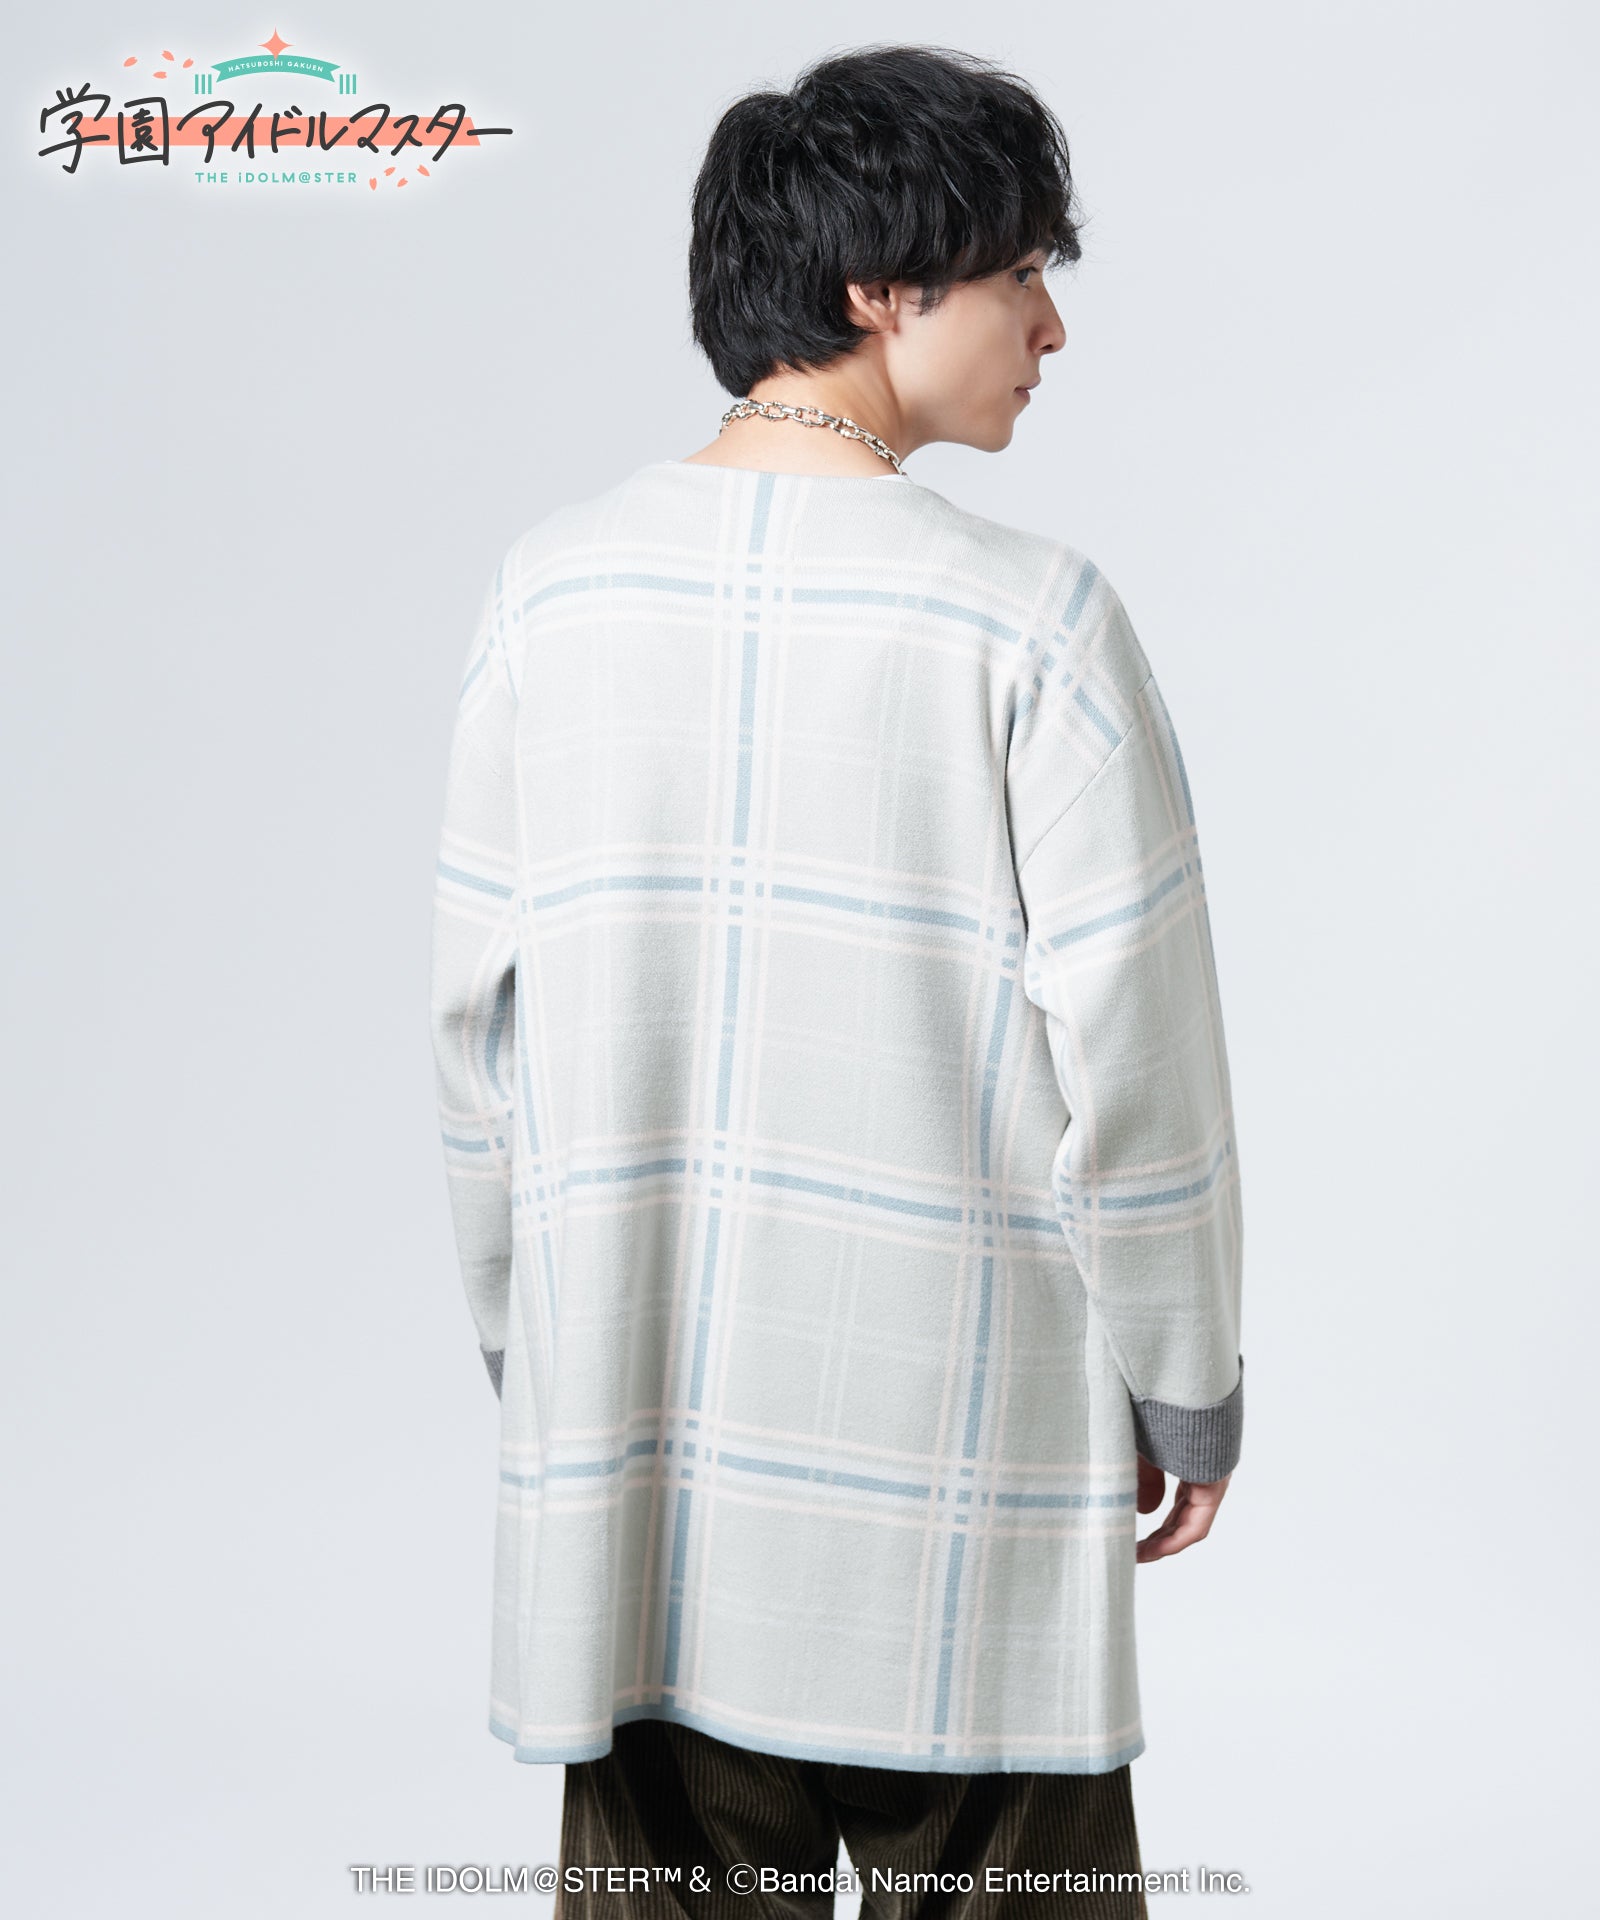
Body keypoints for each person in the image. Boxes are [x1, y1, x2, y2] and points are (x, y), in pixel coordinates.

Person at [429, 42, 1245, 1919]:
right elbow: (1144, 1062)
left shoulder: (551, 593)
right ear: (881, 290)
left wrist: (541, 1356)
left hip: (644, 1466)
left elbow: (478, 1047)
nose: (1051, 326)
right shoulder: (1031, 619)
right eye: (1021, 272)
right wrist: (1184, 1380)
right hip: (969, 1475)